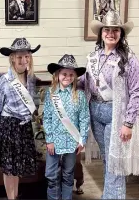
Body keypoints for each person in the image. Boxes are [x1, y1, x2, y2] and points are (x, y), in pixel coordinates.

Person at [80, 10, 139, 199]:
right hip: (96, 111)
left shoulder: (129, 59)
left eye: (115, 30)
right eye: (107, 29)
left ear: (121, 34)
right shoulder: (94, 57)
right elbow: (88, 82)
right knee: (108, 159)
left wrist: (128, 123)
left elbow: (137, 92)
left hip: (116, 114)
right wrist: (68, 79)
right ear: (101, 33)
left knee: (116, 162)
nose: (110, 33)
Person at [0, 38, 40, 200]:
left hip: (24, 128)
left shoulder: (31, 79)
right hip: (8, 127)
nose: (24, 60)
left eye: (27, 57)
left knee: (17, 168)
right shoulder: (4, 81)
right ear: (12, 58)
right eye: (20, 57)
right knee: (9, 169)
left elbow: (34, 103)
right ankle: (11, 197)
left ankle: (15, 196)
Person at [43, 54, 90, 200]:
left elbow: (84, 118)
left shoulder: (80, 95)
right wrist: (49, 140)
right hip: (54, 140)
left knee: (68, 173)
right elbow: (47, 118)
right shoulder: (50, 94)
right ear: (57, 75)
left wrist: (82, 140)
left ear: (75, 76)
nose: (67, 77)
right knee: (51, 174)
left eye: (71, 74)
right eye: (64, 74)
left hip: (72, 140)